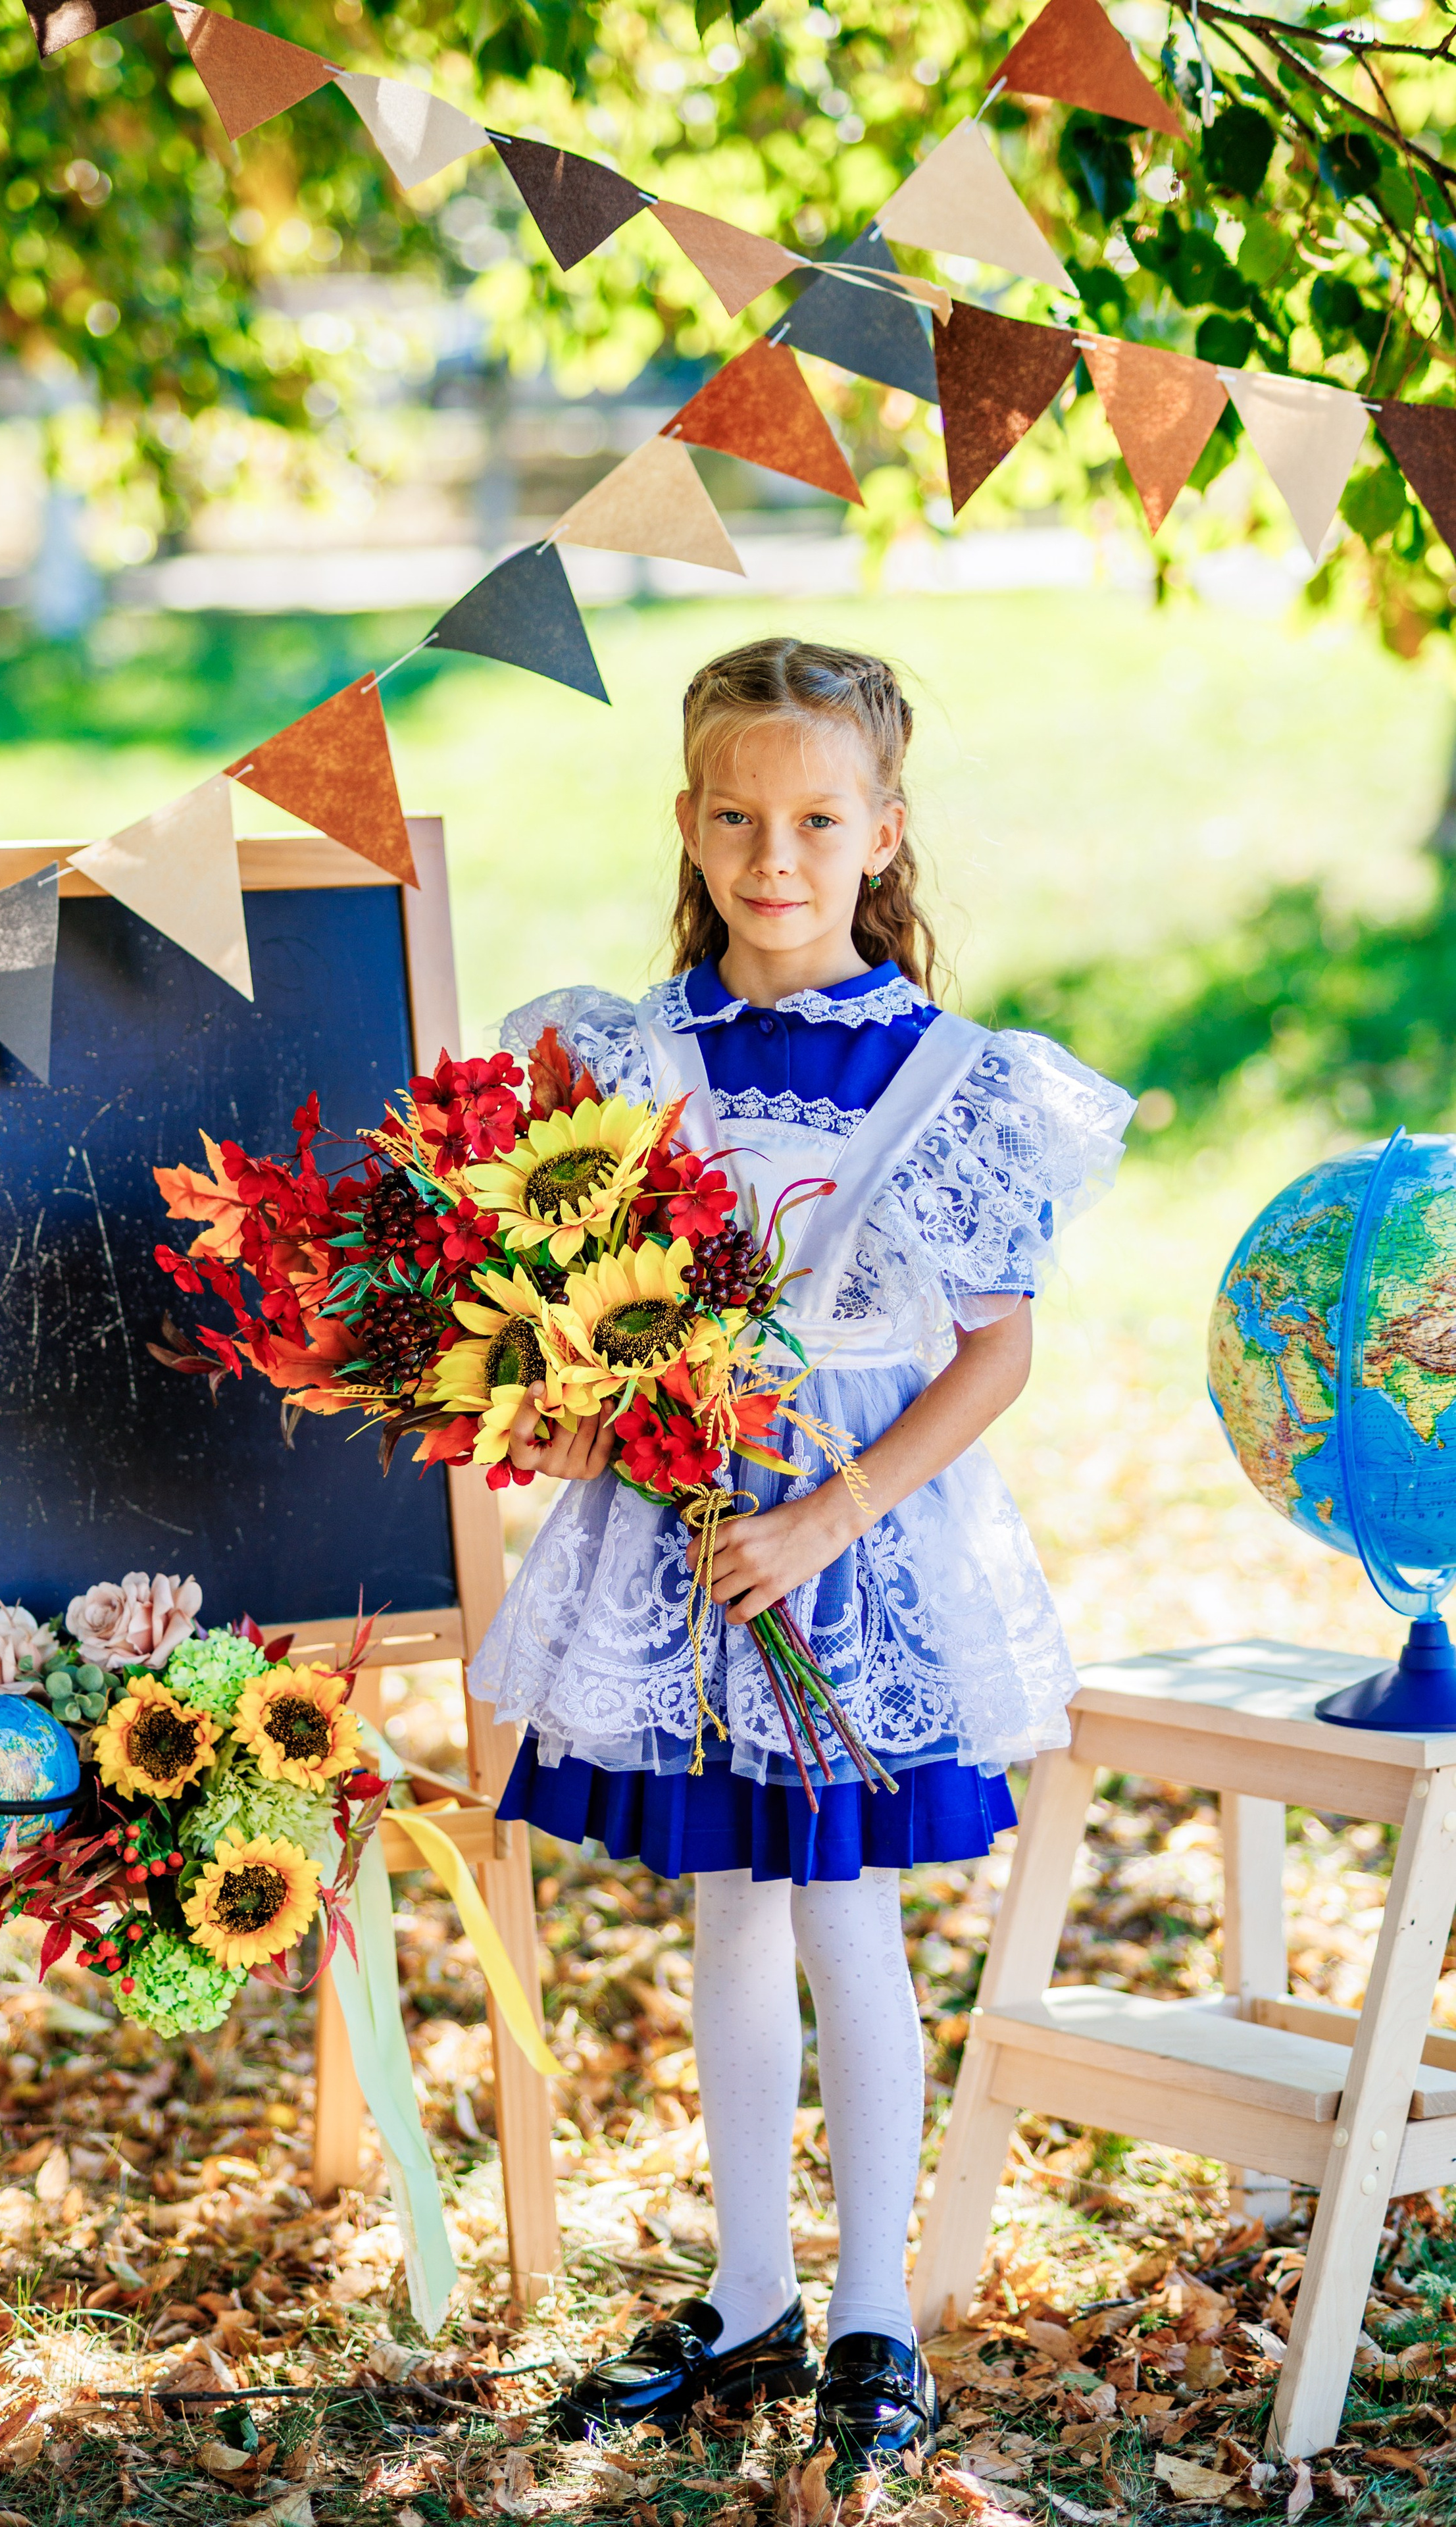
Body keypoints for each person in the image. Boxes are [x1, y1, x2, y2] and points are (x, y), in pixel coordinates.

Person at [467, 637, 1134, 2464]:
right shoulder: (621, 1057)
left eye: (819, 819)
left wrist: (831, 1512)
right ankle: (750, 2294)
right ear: (688, 824)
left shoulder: (957, 1077)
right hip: (681, 1554)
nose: (777, 855)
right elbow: (564, 1304)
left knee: (849, 1922)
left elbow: (996, 1350)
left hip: (859, 1549)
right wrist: (587, 1407)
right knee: (729, 1921)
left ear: (885, 835)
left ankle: (870, 2319)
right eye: (741, 817)